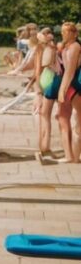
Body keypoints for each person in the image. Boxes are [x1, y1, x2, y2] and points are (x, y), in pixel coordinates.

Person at [57, 22, 81, 163]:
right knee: (71, 118)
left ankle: (74, 157)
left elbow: (70, 71)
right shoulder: (68, 47)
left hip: (75, 85)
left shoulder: (75, 47)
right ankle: (72, 156)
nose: (63, 34)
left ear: (74, 33)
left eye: (66, 31)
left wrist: (62, 90)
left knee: (78, 120)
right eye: (62, 31)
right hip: (72, 85)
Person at [36, 28, 59, 158]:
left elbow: (43, 65)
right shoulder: (53, 47)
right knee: (47, 114)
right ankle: (45, 145)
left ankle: (45, 146)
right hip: (50, 80)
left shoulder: (47, 49)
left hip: (49, 81)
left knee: (45, 115)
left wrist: (38, 91)